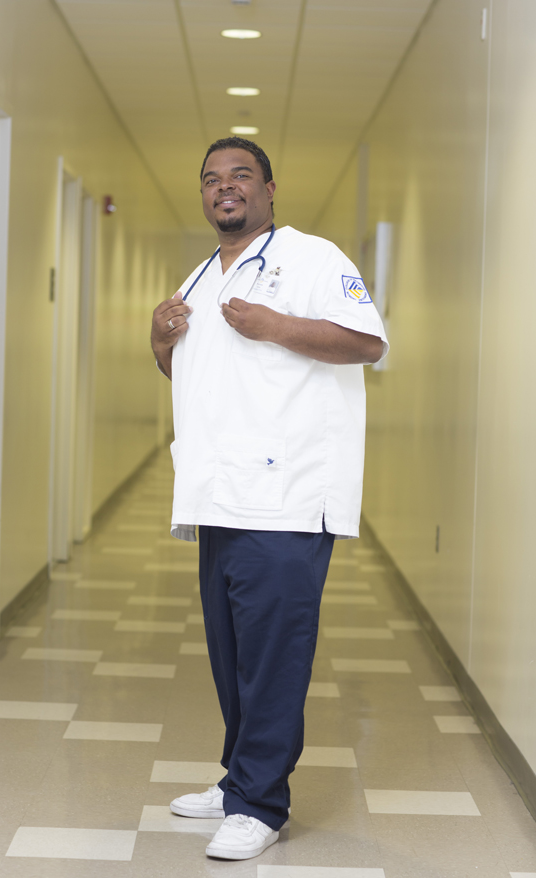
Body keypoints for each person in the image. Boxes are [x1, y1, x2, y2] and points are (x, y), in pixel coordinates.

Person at [150, 137, 388, 861]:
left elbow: (366, 343)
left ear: (269, 188)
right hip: (218, 496)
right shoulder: (197, 277)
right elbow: (195, 374)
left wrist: (275, 324)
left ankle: (261, 804)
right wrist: (160, 341)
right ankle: (237, 782)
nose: (225, 188)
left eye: (240, 176)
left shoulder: (314, 259)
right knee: (231, 655)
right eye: (211, 179)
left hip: (284, 497)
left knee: (272, 657)